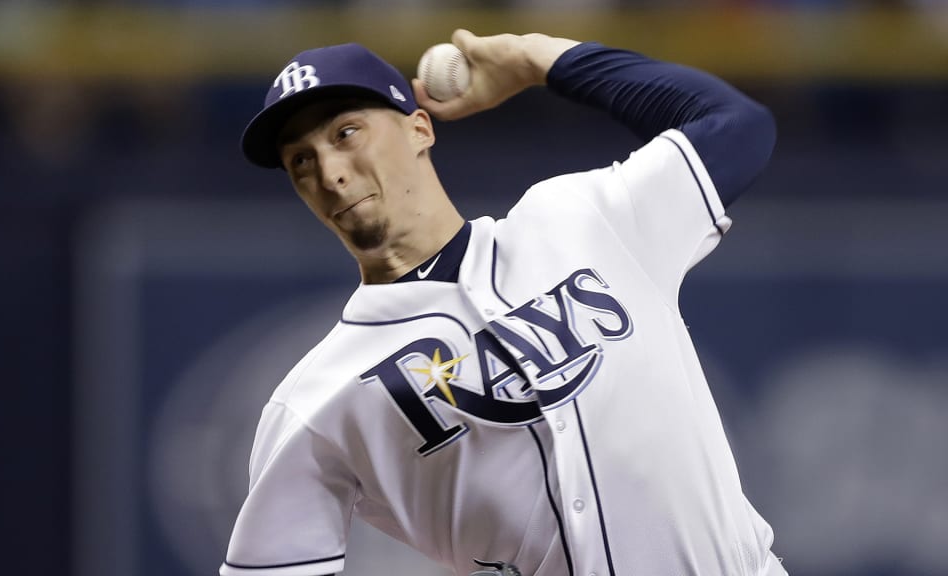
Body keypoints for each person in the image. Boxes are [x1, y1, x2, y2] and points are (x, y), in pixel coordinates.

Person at [220, 29, 783, 576]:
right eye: (301, 161)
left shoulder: (583, 219)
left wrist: (537, 58)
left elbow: (737, 126)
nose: (331, 173)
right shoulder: (314, 401)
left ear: (420, 129)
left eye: (345, 133)